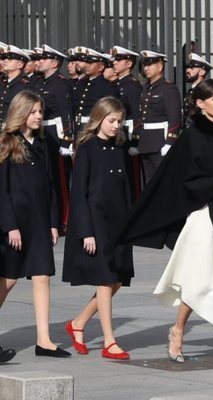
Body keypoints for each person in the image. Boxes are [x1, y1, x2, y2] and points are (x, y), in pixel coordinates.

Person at [108, 79, 213, 368]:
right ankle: (178, 330)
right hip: (204, 215)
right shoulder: (191, 137)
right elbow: (185, 183)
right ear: (200, 103)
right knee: (197, 282)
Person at [62, 97, 134, 360]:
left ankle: (78, 323)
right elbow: (78, 193)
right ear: (99, 118)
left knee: (116, 280)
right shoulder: (87, 148)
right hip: (97, 222)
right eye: (111, 120)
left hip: (118, 222)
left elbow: (127, 188)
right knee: (105, 280)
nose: (116, 126)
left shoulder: (120, 148)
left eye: (119, 121)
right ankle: (109, 341)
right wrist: (86, 231)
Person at [0, 90, 70, 358]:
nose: (39, 116)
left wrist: (54, 222)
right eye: (33, 111)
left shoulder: (44, 143)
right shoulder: (7, 143)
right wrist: (9, 226)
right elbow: (2, 189)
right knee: (8, 280)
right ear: (21, 113)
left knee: (42, 277)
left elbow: (51, 186)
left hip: (40, 221)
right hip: (15, 223)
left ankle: (44, 341)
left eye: (40, 111)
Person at [37, 44, 74, 232]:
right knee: (48, 178)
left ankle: (64, 219)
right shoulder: (42, 82)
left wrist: (67, 139)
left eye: (44, 59)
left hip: (57, 136)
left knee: (60, 180)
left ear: (54, 63)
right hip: (44, 135)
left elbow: (67, 113)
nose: (39, 61)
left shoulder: (60, 83)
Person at [138, 50, 181, 184]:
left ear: (160, 66)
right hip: (146, 142)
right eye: (145, 65)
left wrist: (169, 142)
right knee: (149, 182)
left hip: (160, 142)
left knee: (163, 181)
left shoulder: (168, 89)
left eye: (149, 64)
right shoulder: (146, 88)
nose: (146, 68)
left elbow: (174, 118)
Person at [112, 45, 142, 195]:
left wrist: (135, 142)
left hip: (128, 135)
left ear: (129, 64)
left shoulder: (132, 86)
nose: (114, 62)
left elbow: (137, 115)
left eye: (119, 60)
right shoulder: (117, 84)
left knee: (132, 177)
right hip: (119, 133)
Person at [0, 45, 31, 126]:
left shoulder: (24, 87)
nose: (5, 61)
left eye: (9, 58)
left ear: (19, 65)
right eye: (4, 58)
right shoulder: (3, 83)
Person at [183, 53, 213, 126]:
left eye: (192, 68)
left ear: (202, 72)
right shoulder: (191, 90)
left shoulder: (205, 91)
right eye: (188, 67)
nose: (188, 70)